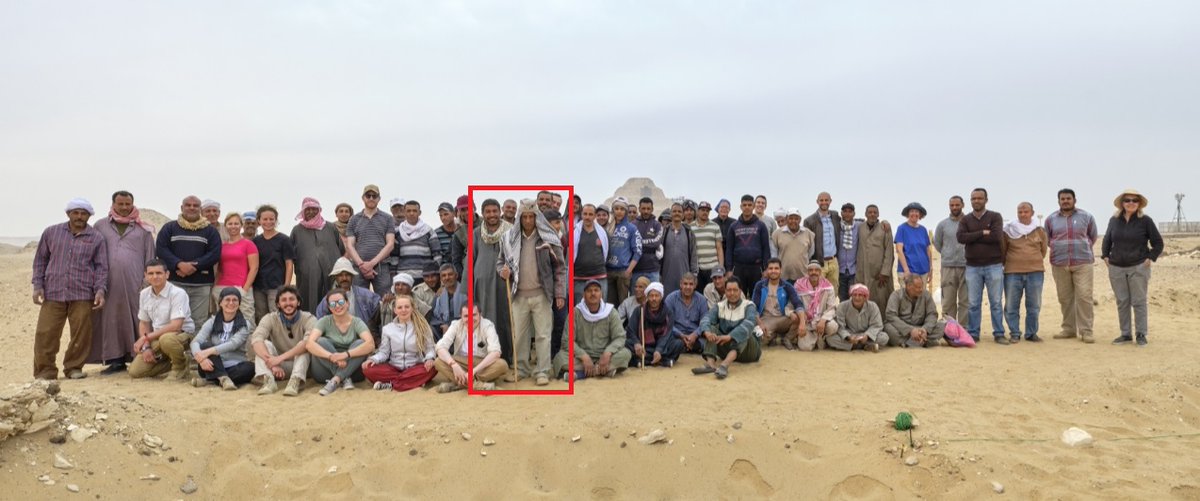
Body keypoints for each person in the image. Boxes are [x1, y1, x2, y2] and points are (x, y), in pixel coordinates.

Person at [32, 198, 108, 380]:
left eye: (83, 213)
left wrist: (100, 290)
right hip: (53, 292)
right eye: (76, 212)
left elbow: (101, 267)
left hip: (83, 293)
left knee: (81, 334)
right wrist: (38, 285)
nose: (79, 217)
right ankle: (45, 371)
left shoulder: (96, 237)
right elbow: (41, 260)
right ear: (68, 214)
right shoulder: (52, 232)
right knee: (46, 333)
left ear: (89, 216)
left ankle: (74, 367)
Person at [497, 199, 567, 386]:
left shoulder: (549, 238)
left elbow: (560, 268)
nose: (528, 221)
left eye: (531, 216)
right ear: (519, 217)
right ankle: (521, 369)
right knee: (519, 335)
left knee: (543, 334)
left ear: (537, 217)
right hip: (518, 295)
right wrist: (503, 271)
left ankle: (542, 371)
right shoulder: (508, 238)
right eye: (524, 217)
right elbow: (500, 263)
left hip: (542, 295)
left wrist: (560, 294)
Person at [90, 191, 155, 375]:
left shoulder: (143, 229)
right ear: (113, 204)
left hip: (136, 285)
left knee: (138, 319)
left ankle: (138, 357)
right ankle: (115, 360)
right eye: (121, 204)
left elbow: (150, 257)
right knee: (111, 320)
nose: (125, 208)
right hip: (107, 285)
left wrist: (146, 282)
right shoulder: (101, 226)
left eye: (128, 204)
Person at [1102, 189, 1163, 347]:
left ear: (1139, 204)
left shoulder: (1146, 221)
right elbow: (1107, 239)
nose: (1131, 203)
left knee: (1139, 301)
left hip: (1138, 266)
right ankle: (1125, 334)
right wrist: (1105, 256)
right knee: (1122, 301)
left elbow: (1158, 243)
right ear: (1122, 203)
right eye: (1127, 200)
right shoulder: (1114, 220)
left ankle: (1141, 334)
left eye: (1134, 200)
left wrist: (1150, 258)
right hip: (1116, 267)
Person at [156, 195, 222, 337]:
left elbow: (214, 254)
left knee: (199, 322)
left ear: (200, 209)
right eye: (188, 205)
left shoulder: (210, 231)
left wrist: (193, 267)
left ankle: (194, 355)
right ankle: (175, 354)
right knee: (173, 321)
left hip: (201, 285)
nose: (192, 208)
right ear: (182, 207)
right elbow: (161, 250)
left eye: (195, 206)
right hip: (174, 284)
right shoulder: (170, 228)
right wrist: (179, 264)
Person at [1045, 189, 1099, 343]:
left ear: (1074, 200)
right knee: (1065, 298)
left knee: (1084, 296)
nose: (1065, 201)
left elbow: (1092, 236)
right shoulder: (1050, 219)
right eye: (1062, 199)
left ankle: (1086, 331)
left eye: (1068, 198)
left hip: (1082, 262)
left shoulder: (1086, 216)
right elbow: (1048, 239)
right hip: (1059, 262)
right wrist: (1058, 247)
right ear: (1058, 201)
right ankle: (1069, 329)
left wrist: (1082, 246)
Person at [128, 259, 197, 380]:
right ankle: (182, 360)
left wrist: (146, 337)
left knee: (167, 339)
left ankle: (179, 368)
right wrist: (146, 346)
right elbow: (144, 322)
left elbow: (176, 326)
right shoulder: (144, 294)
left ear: (167, 274)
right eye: (151, 273)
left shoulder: (178, 293)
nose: (155, 277)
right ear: (145, 276)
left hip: (181, 335)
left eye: (159, 273)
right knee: (135, 371)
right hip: (158, 337)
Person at [554, 280, 631, 380]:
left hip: (604, 356)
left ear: (601, 294)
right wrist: (583, 356)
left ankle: (580, 374)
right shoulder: (575, 313)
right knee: (559, 358)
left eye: (596, 290)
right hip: (581, 358)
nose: (593, 293)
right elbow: (567, 341)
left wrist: (608, 352)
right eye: (589, 291)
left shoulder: (611, 312)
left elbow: (620, 337)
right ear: (584, 295)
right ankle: (601, 371)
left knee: (625, 354)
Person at [957, 188, 1006, 343]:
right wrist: (982, 233)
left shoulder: (995, 216)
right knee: (973, 303)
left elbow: (996, 236)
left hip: (994, 265)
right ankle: (973, 333)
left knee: (996, 302)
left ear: (986, 199)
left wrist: (973, 236)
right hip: (972, 267)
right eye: (973, 198)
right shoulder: (965, 220)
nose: (976, 201)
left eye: (979, 198)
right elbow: (960, 237)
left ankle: (999, 333)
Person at [306, 289, 376, 396]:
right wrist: (332, 357)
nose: (337, 306)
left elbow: (371, 345)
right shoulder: (324, 321)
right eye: (333, 304)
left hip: (353, 372)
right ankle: (344, 377)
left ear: (347, 303)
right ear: (329, 307)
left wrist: (345, 354)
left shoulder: (357, 322)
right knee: (320, 341)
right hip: (324, 371)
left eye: (341, 302)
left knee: (361, 342)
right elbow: (309, 344)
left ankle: (336, 379)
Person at [249, 285, 314, 396]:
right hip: (278, 368)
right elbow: (256, 339)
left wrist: (279, 359)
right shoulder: (270, 318)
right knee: (264, 344)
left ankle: (295, 382)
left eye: (292, 299)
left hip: (302, 366)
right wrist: (272, 364)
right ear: (278, 304)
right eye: (284, 300)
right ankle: (268, 381)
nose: (288, 303)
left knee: (304, 346)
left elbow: (308, 344)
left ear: (298, 302)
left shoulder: (308, 318)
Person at [363, 296, 437, 392]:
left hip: (414, 367)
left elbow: (430, 349)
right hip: (394, 367)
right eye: (400, 307)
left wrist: (429, 358)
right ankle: (411, 382)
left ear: (412, 308)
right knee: (367, 368)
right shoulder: (387, 329)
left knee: (433, 367)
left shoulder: (422, 327)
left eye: (407, 307)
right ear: (395, 310)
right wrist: (373, 359)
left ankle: (390, 385)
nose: (403, 310)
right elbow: (384, 353)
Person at [691, 278, 761, 379]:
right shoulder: (719, 306)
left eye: (735, 290)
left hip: (749, 352)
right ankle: (710, 364)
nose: (732, 293)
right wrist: (707, 332)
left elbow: (749, 324)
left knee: (744, 332)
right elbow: (706, 319)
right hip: (727, 348)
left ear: (740, 291)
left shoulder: (749, 305)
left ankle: (724, 365)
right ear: (725, 291)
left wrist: (730, 336)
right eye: (729, 290)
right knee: (711, 328)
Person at [472, 199, 514, 364]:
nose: (491, 215)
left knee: (504, 318)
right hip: (482, 283)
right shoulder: (476, 232)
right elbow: (472, 257)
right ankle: (484, 358)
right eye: (488, 212)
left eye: (494, 211)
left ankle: (505, 358)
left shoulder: (510, 231)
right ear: (483, 214)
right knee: (484, 319)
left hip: (503, 282)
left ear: (500, 211)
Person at [189, 287, 254, 390]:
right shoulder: (212, 321)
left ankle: (211, 380)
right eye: (227, 299)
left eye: (235, 300)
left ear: (239, 303)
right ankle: (223, 379)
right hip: (210, 365)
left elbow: (233, 344)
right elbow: (195, 342)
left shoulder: (245, 324)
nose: (231, 303)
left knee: (250, 368)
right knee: (205, 345)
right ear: (220, 303)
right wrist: (200, 358)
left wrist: (208, 352)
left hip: (235, 365)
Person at [1001, 202, 1048, 343]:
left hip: (1035, 272)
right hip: (1012, 272)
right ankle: (1015, 333)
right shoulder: (1009, 230)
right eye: (1020, 212)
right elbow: (1003, 249)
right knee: (1011, 305)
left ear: (1032, 213)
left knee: (1034, 305)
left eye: (1026, 212)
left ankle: (1031, 333)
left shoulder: (1039, 230)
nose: (1023, 214)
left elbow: (1043, 250)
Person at [434, 305, 510, 392]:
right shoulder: (456, 324)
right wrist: (453, 365)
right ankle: (478, 385)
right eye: (466, 316)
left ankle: (459, 384)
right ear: (461, 316)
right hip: (461, 362)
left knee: (502, 365)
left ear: (480, 315)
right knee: (438, 362)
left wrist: (473, 371)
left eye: (474, 315)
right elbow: (440, 347)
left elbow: (495, 352)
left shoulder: (487, 325)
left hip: (481, 363)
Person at [291, 197, 345, 317]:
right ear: (303, 212)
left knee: (334, 300)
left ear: (319, 210)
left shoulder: (330, 227)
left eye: (314, 209)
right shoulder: (297, 230)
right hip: (307, 277)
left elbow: (341, 248)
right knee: (309, 305)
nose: (311, 212)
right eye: (307, 209)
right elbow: (291, 255)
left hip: (331, 274)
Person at [345, 184, 397, 293]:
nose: (371, 198)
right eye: (368, 195)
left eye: (374, 196)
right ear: (363, 198)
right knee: (359, 299)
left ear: (379, 198)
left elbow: (390, 244)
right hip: (358, 267)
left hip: (381, 266)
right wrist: (362, 265)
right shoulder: (353, 219)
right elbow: (350, 245)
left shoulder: (388, 218)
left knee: (385, 299)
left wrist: (372, 263)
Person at [315, 257, 382, 339]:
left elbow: (380, 307)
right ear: (335, 277)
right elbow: (320, 322)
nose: (344, 278)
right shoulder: (327, 300)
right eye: (340, 275)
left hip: (362, 338)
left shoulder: (365, 295)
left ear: (352, 276)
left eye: (347, 275)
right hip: (337, 339)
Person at [251, 205, 294, 322]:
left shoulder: (284, 239)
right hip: (258, 286)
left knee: (276, 316)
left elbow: (289, 263)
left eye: (271, 219)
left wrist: (286, 286)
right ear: (259, 221)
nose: (268, 222)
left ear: (276, 220)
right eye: (265, 219)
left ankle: (278, 340)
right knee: (261, 317)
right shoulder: (255, 241)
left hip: (277, 286)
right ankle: (264, 340)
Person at [213, 212, 258, 322]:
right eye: (230, 223)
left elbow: (254, 268)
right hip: (221, 289)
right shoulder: (222, 246)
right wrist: (215, 287)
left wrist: (245, 289)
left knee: (247, 321)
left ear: (241, 225)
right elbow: (220, 269)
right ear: (226, 226)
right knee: (223, 321)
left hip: (241, 288)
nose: (233, 226)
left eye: (236, 224)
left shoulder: (248, 244)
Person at [751, 259, 805, 350]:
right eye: (770, 268)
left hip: (782, 318)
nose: (773, 271)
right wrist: (760, 323)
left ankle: (787, 338)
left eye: (776, 268)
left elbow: (798, 304)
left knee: (799, 317)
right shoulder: (760, 285)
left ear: (781, 270)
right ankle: (773, 335)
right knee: (758, 340)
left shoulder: (787, 286)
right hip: (766, 319)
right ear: (767, 270)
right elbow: (753, 306)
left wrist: (802, 323)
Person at [933, 196, 969, 324]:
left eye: (957, 205)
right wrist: (947, 252)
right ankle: (950, 330)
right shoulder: (942, 225)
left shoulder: (969, 222)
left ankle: (964, 329)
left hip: (967, 266)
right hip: (947, 266)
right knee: (948, 301)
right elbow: (937, 243)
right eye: (952, 205)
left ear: (962, 205)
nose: (954, 208)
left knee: (966, 301)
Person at [626, 282, 680, 368]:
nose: (654, 298)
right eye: (651, 296)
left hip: (661, 346)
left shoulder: (668, 312)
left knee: (678, 344)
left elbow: (666, 335)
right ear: (647, 297)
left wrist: (658, 350)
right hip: (643, 345)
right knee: (627, 343)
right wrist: (636, 343)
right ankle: (662, 361)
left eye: (656, 296)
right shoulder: (639, 310)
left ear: (661, 297)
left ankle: (644, 361)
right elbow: (630, 330)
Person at [884, 275, 945, 348]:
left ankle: (908, 343)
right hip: (902, 329)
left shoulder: (926, 295)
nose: (921, 289)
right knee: (888, 328)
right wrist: (910, 330)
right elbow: (891, 316)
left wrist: (925, 329)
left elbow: (932, 314)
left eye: (921, 287)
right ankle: (925, 342)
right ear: (909, 286)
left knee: (941, 326)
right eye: (918, 287)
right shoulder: (896, 295)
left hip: (920, 327)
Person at [855, 205, 894, 314]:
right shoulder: (860, 227)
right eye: (870, 212)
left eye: (875, 212)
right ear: (865, 214)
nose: (872, 214)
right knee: (863, 298)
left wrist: (885, 272)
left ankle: (882, 324)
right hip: (864, 271)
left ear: (878, 214)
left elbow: (889, 250)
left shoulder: (884, 228)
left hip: (880, 273)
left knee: (881, 300)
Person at [726, 194, 771, 290]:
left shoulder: (761, 226)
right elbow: (729, 249)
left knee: (756, 297)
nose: (747, 207)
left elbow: (766, 248)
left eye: (749, 205)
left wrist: (766, 268)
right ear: (741, 206)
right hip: (738, 267)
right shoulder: (733, 226)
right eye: (744, 205)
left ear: (753, 206)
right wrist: (729, 269)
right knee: (738, 296)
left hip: (756, 268)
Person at [794, 261, 839, 351]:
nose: (813, 272)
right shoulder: (799, 286)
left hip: (822, 321)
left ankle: (822, 337)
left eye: (816, 270)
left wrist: (823, 320)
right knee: (805, 348)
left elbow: (832, 308)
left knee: (833, 326)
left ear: (820, 272)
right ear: (807, 272)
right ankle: (818, 339)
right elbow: (794, 305)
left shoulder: (828, 287)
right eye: (811, 270)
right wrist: (802, 321)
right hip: (807, 323)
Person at [829, 284, 886, 352]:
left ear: (865, 297)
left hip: (866, 336)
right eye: (854, 295)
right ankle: (865, 346)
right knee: (830, 338)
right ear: (851, 296)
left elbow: (877, 325)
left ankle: (854, 346)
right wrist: (848, 337)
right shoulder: (842, 306)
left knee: (884, 337)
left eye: (860, 295)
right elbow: (840, 326)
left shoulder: (873, 306)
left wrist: (867, 335)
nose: (857, 298)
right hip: (850, 335)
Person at [606, 199, 642, 305]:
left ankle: (624, 322)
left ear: (626, 211)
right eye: (616, 209)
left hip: (623, 271)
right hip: (608, 271)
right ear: (613, 211)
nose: (619, 211)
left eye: (622, 209)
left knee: (623, 304)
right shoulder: (608, 228)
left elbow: (638, 251)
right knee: (610, 304)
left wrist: (629, 270)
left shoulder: (632, 228)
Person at [803, 192, 843, 290]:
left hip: (833, 261)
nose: (824, 202)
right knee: (818, 291)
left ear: (830, 201)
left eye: (826, 200)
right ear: (817, 202)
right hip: (819, 262)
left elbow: (848, 220)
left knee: (833, 290)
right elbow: (806, 243)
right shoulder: (810, 220)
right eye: (821, 200)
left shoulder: (835, 216)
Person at [393, 200, 440, 281]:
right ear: (404, 212)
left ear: (419, 212)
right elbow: (394, 258)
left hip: (425, 278)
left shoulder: (428, 231)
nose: (411, 213)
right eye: (408, 211)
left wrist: (435, 274)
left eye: (414, 211)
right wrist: (393, 275)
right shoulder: (397, 232)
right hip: (403, 279)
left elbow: (437, 255)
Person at [664, 273, 710, 356]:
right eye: (685, 284)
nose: (688, 287)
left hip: (696, 337)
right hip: (676, 336)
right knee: (669, 341)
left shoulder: (701, 300)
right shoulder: (671, 298)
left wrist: (695, 335)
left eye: (691, 284)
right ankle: (687, 347)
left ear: (695, 285)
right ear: (680, 284)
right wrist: (681, 335)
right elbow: (667, 323)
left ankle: (687, 347)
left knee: (708, 343)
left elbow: (705, 321)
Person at [573, 204, 609, 303]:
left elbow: (607, 252)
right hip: (579, 278)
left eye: (590, 214)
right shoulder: (574, 233)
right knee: (580, 309)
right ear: (581, 215)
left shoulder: (603, 233)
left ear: (594, 216)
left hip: (599, 276)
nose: (587, 217)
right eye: (585, 214)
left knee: (601, 308)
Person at [660, 203, 697, 297]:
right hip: (666, 275)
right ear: (671, 214)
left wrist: (694, 274)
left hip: (684, 275)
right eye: (674, 211)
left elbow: (693, 255)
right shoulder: (664, 231)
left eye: (679, 211)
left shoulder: (689, 232)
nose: (677, 213)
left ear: (683, 214)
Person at [894, 203, 933, 292]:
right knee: (907, 300)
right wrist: (906, 270)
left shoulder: (923, 230)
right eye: (911, 211)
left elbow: (928, 250)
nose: (914, 214)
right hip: (908, 271)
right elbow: (899, 250)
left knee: (921, 299)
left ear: (920, 215)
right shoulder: (902, 228)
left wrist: (930, 268)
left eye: (916, 211)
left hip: (923, 271)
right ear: (908, 214)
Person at [773, 208, 815, 283]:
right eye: (791, 218)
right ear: (786, 219)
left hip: (803, 276)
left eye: (796, 219)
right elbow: (774, 254)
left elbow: (811, 252)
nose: (793, 221)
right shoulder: (777, 234)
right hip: (783, 276)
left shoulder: (808, 233)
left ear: (800, 220)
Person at [691, 201, 725, 291]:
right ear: (698, 211)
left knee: (713, 293)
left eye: (707, 210)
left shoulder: (715, 226)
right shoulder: (691, 227)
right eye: (702, 210)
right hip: (698, 269)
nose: (705, 212)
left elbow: (719, 248)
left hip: (713, 268)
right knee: (699, 294)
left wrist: (720, 267)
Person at [631, 197, 664, 286]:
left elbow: (656, 243)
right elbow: (632, 244)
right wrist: (649, 244)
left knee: (654, 298)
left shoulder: (658, 225)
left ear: (652, 209)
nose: (646, 211)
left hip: (653, 270)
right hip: (636, 269)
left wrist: (640, 243)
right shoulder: (632, 225)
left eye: (648, 209)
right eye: (643, 208)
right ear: (639, 209)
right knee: (636, 297)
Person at [431, 264, 467, 339]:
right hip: (443, 329)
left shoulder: (466, 292)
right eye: (444, 275)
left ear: (456, 275)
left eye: (450, 274)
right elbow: (433, 316)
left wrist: (451, 325)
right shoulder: (438, 296)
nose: (447, 278)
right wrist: (443, 325)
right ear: (441, 278)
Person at [836, 203, 862, 300]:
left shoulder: (859, 226)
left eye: (850, 212)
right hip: (840, 270)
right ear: (841, 213)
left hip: (853, 270)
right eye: (845, 211)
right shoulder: (837, 226)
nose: (847, 214)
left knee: (854, 297)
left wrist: (884, 222)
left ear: (854, 213)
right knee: (842, 298)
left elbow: (873, 223)